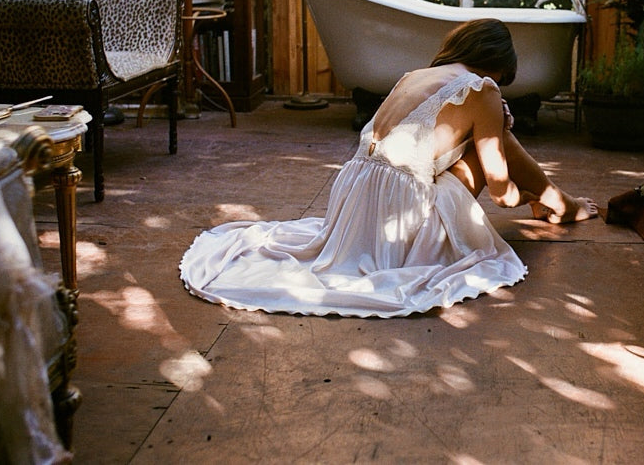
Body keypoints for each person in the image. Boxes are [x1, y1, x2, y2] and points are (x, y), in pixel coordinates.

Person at [180, 18, 598, 318]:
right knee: (498, 135)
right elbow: (502, 197)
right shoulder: (481, 88)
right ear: (494, 66)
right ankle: (558, 202)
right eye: (500, 78)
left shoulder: (416, 76)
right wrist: (511, 161)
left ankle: (555, 200)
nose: (496, 86)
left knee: (493, 133)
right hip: (402, 224)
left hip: (356, 210)